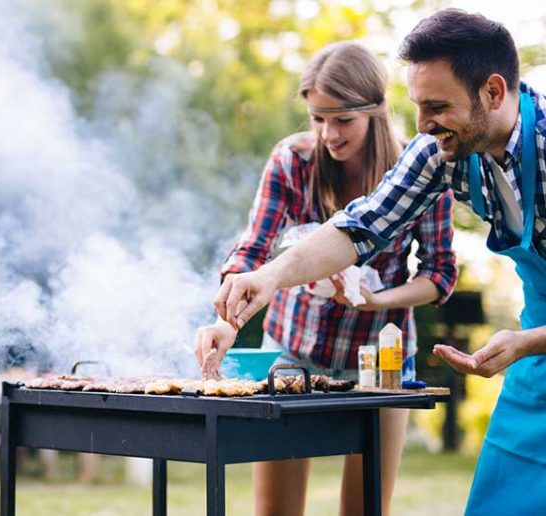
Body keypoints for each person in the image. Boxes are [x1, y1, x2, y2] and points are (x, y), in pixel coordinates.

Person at [214, 9, 546, 515]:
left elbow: (438, 273)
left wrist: (526, 341)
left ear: (494, 93)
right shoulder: (439, 151)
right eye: (417, 106)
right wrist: (268, 277)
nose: (422, 124)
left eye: (436, 106)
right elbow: (361, 225)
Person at [195, 42, 457, 516]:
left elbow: (439, 275)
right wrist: (226, 324)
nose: (327, 134)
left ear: (374, 112)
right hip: (294, 357)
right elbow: (254, 250)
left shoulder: (420, 171)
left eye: (342, 120)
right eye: (317, 118)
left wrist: (376, 300)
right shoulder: (292, 161)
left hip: (383, 366)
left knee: (364, 510)